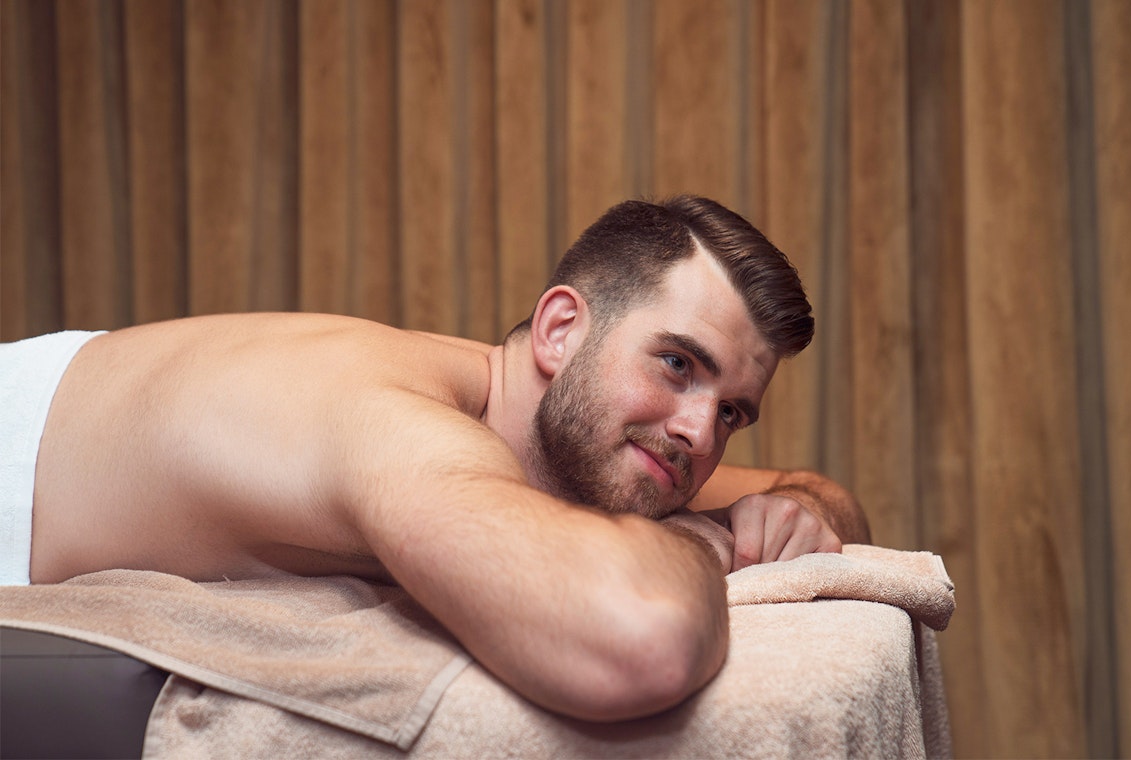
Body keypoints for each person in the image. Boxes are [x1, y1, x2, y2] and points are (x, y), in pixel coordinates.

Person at [2, 195, 869, 722]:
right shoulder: (385, 416)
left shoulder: (603, 437)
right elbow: (636, 640)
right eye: (677, 364)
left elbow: (821, 491)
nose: (698, 435)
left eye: (733, 414)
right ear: (561, 329)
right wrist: (707, 543)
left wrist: (808, 511)